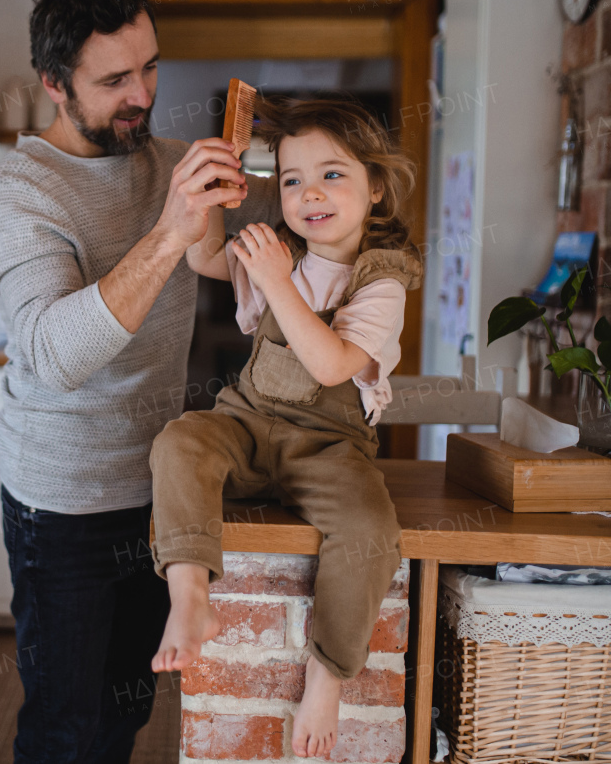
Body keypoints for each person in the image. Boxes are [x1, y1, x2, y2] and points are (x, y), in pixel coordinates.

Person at [0, 0, 281, 764]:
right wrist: (170, 232)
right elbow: (54, 355)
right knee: (65, 730)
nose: (142, 95)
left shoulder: (171, 163)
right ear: (55, 81)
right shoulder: (24, 191)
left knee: (123, 719)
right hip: (61, 509)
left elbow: (274, 237)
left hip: (153, 497)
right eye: (115, 79)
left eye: (150, 67)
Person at [148, 96, 423, 758]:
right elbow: (204, 258)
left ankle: (326, 675)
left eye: (333, 174)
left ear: (375, 187)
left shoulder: (382, 278)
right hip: (248, 421)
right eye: (292, 179)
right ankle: (190, 597)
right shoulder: (280, 250)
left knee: (368, 528)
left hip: (329, 444)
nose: (310, 193)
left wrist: (279, 281)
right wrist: (216, 188)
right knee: (179, 439)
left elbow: (331, 365)